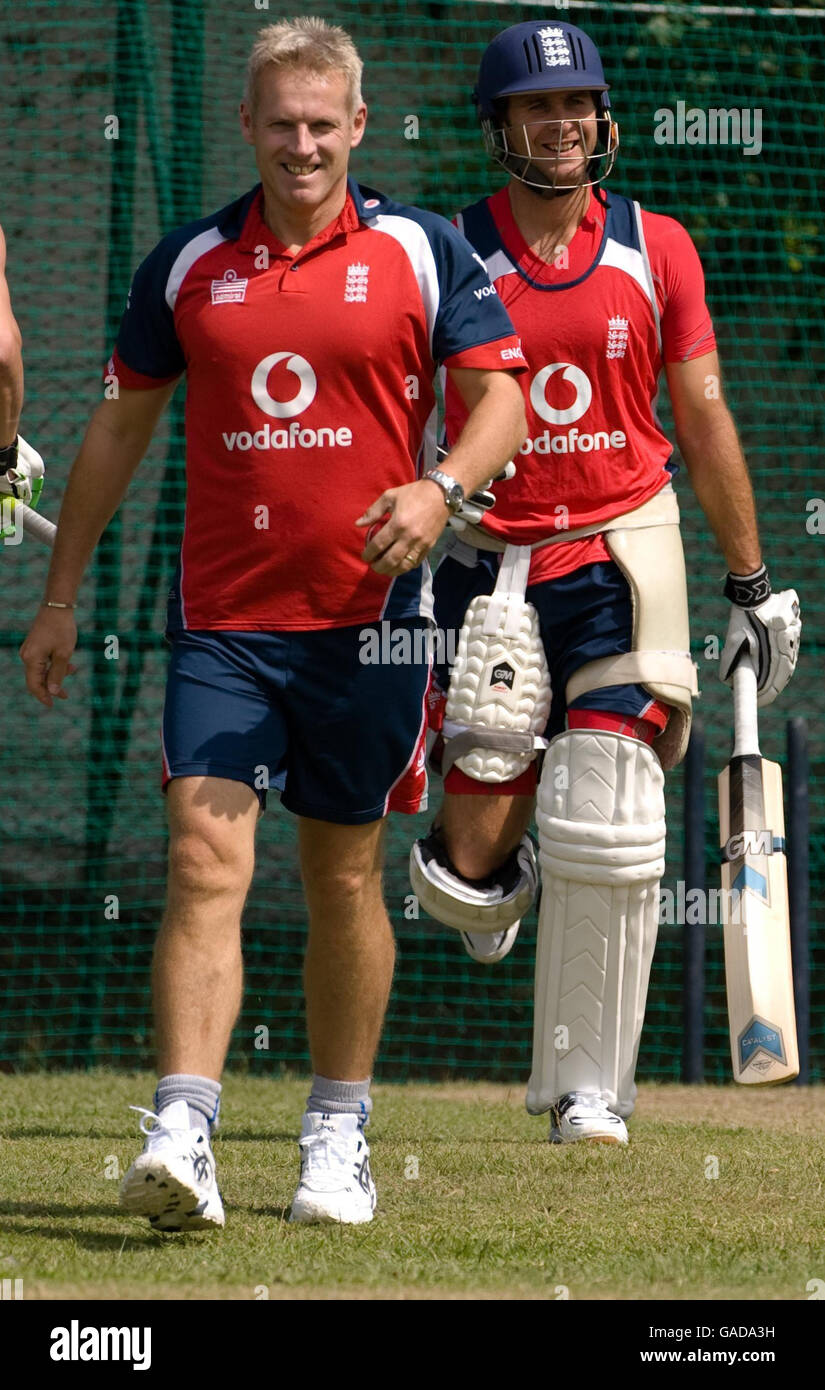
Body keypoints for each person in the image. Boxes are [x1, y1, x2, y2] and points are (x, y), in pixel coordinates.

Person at [19, 17, 526, 1227]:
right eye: (280, 123)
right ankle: (184, 1130)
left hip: (373, 627)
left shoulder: (421, 248)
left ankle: (336, 1136)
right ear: (247, 127)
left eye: (322, 123)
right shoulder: (187, 265)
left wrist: (440, 487)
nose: (301, 144)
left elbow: (502, 397)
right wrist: (55, 598)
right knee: (203, 858)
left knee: (341, 874)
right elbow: (118, 432)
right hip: (226, 626)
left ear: (357, 125)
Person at [410, 19, 800, 1145]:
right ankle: (510, 856)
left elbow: (705, 411)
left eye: (579, 103)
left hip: (627, 542)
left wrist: (752, 579)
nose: (566, 123)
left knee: (615, 803)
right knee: (468, 865)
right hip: (491, 559)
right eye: (540, 107)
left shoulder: (656, 244)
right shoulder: (449, 249)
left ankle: (590, 1091)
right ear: (501, 129)